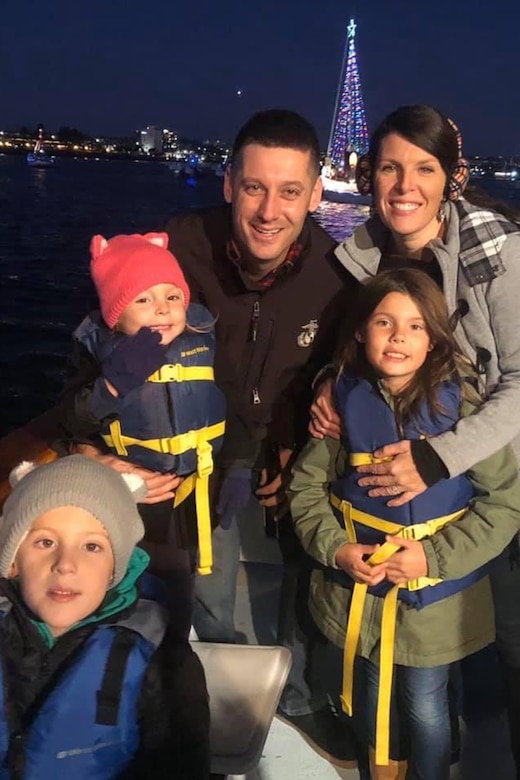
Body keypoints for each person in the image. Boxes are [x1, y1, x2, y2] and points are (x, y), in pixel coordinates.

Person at [310, 104, 520, 773]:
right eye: (391, 167)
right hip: (415, 494)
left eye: (424, 168)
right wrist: (329, 380)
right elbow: (362, 347)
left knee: (500, 636)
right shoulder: (364, 254)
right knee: (423, 658)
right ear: (370, 175)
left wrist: (438, 456)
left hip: (490, 469)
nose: (405, 184)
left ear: (453, 177)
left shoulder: (497, 251)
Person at [164, 109, 358, 758]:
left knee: (306, 579)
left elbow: (343, 362)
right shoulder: (179, 247)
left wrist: (305, 431)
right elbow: (110, 331)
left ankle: (300, 695)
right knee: (207, 584)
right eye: (254, 187)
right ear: (228, 185)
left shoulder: (336, 276)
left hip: (289, 452)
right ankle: (226, 694)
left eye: (289, 191)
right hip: (202, 456)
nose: (269, 209)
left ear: (314, 195)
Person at [290, 268, 520, 780]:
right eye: (384, 322)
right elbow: (305, 490)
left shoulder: (464, 410)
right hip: (361, 592)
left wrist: (432, 557)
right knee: (371, 689)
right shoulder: (341, 407)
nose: (398, 336)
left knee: (425, 702)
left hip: (434, 602)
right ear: (358, 331)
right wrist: (337, 549)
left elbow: (504, 504)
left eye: (417, 326)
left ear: (436, 337)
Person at [56, 232, 226, 636]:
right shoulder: (97, 353)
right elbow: (69, 422)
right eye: (144, 300)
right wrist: (111, 386)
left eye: (173, 297)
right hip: (131, 502)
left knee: (180, 599)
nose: (163, 310)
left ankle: (173, 660)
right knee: (125, 600)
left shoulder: (204, 339)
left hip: (192, 500)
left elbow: (227, 401)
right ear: (116, 313)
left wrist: (236, 466)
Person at [0, 454, 210, 779]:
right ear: (12, 562)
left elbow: (180, 763)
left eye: (92, 547)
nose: (65, 564)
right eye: (45, 542)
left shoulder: (160, 661)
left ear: (116, 569)